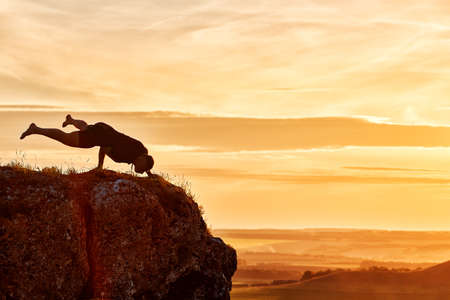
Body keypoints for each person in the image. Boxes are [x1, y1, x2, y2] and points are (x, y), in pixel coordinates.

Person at [20, 114, 154, 176]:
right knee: (65, 138)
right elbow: (104, 147)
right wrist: (100, 166)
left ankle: (71, 120)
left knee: (85, 127)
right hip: (99, 136)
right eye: (142, 169)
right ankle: (36, 129)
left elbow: (145, 160)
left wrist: (149, 173)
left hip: (104, 129)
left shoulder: (142, 152)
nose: (141, 172)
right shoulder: (128, 153)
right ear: (142, 160)